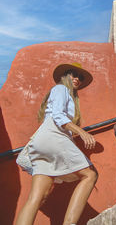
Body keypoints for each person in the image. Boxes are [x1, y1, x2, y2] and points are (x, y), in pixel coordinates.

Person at [16, 62, 98, 225]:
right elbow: (58, 116)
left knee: (38, 197)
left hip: (42, 140)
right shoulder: (61, 89)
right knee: (90, 175)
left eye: (80, 77)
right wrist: (81, 132)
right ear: (65, 76)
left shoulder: (65, 94)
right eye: (73, 74)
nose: (77, 79)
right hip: (53, 134)